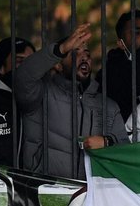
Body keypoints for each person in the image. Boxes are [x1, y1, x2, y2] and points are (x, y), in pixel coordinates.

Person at [14, 23, 129, 180]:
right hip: (46, 191)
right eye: (74, 53)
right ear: (58, 65)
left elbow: (126, 151)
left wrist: (106, 142)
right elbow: (23, 77)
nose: (84, 58)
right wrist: (60, 49)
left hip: (91, 196)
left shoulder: (108, 105)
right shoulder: (41, 94)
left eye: (87, 54)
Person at [0, 37, 35, 167]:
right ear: (1, 66)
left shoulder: (38, 97)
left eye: (32, 62)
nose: (27, 67)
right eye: (19, 61)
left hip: (30, 183)